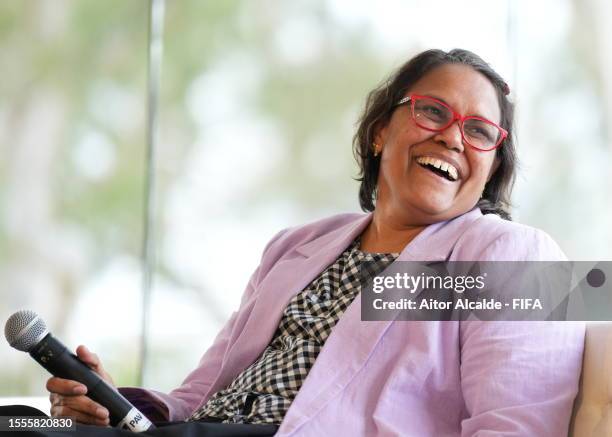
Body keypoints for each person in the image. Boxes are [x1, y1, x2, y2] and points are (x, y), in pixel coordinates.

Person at [44, 49, 584, 436]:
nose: (451, 137)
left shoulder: (515, 256)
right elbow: (199, 395)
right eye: (433, 112)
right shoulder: (296, 245)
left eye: (480, 132)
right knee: (19, 422)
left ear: (491, 170)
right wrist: (114, 403)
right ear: (380, 132)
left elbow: (519, 425)